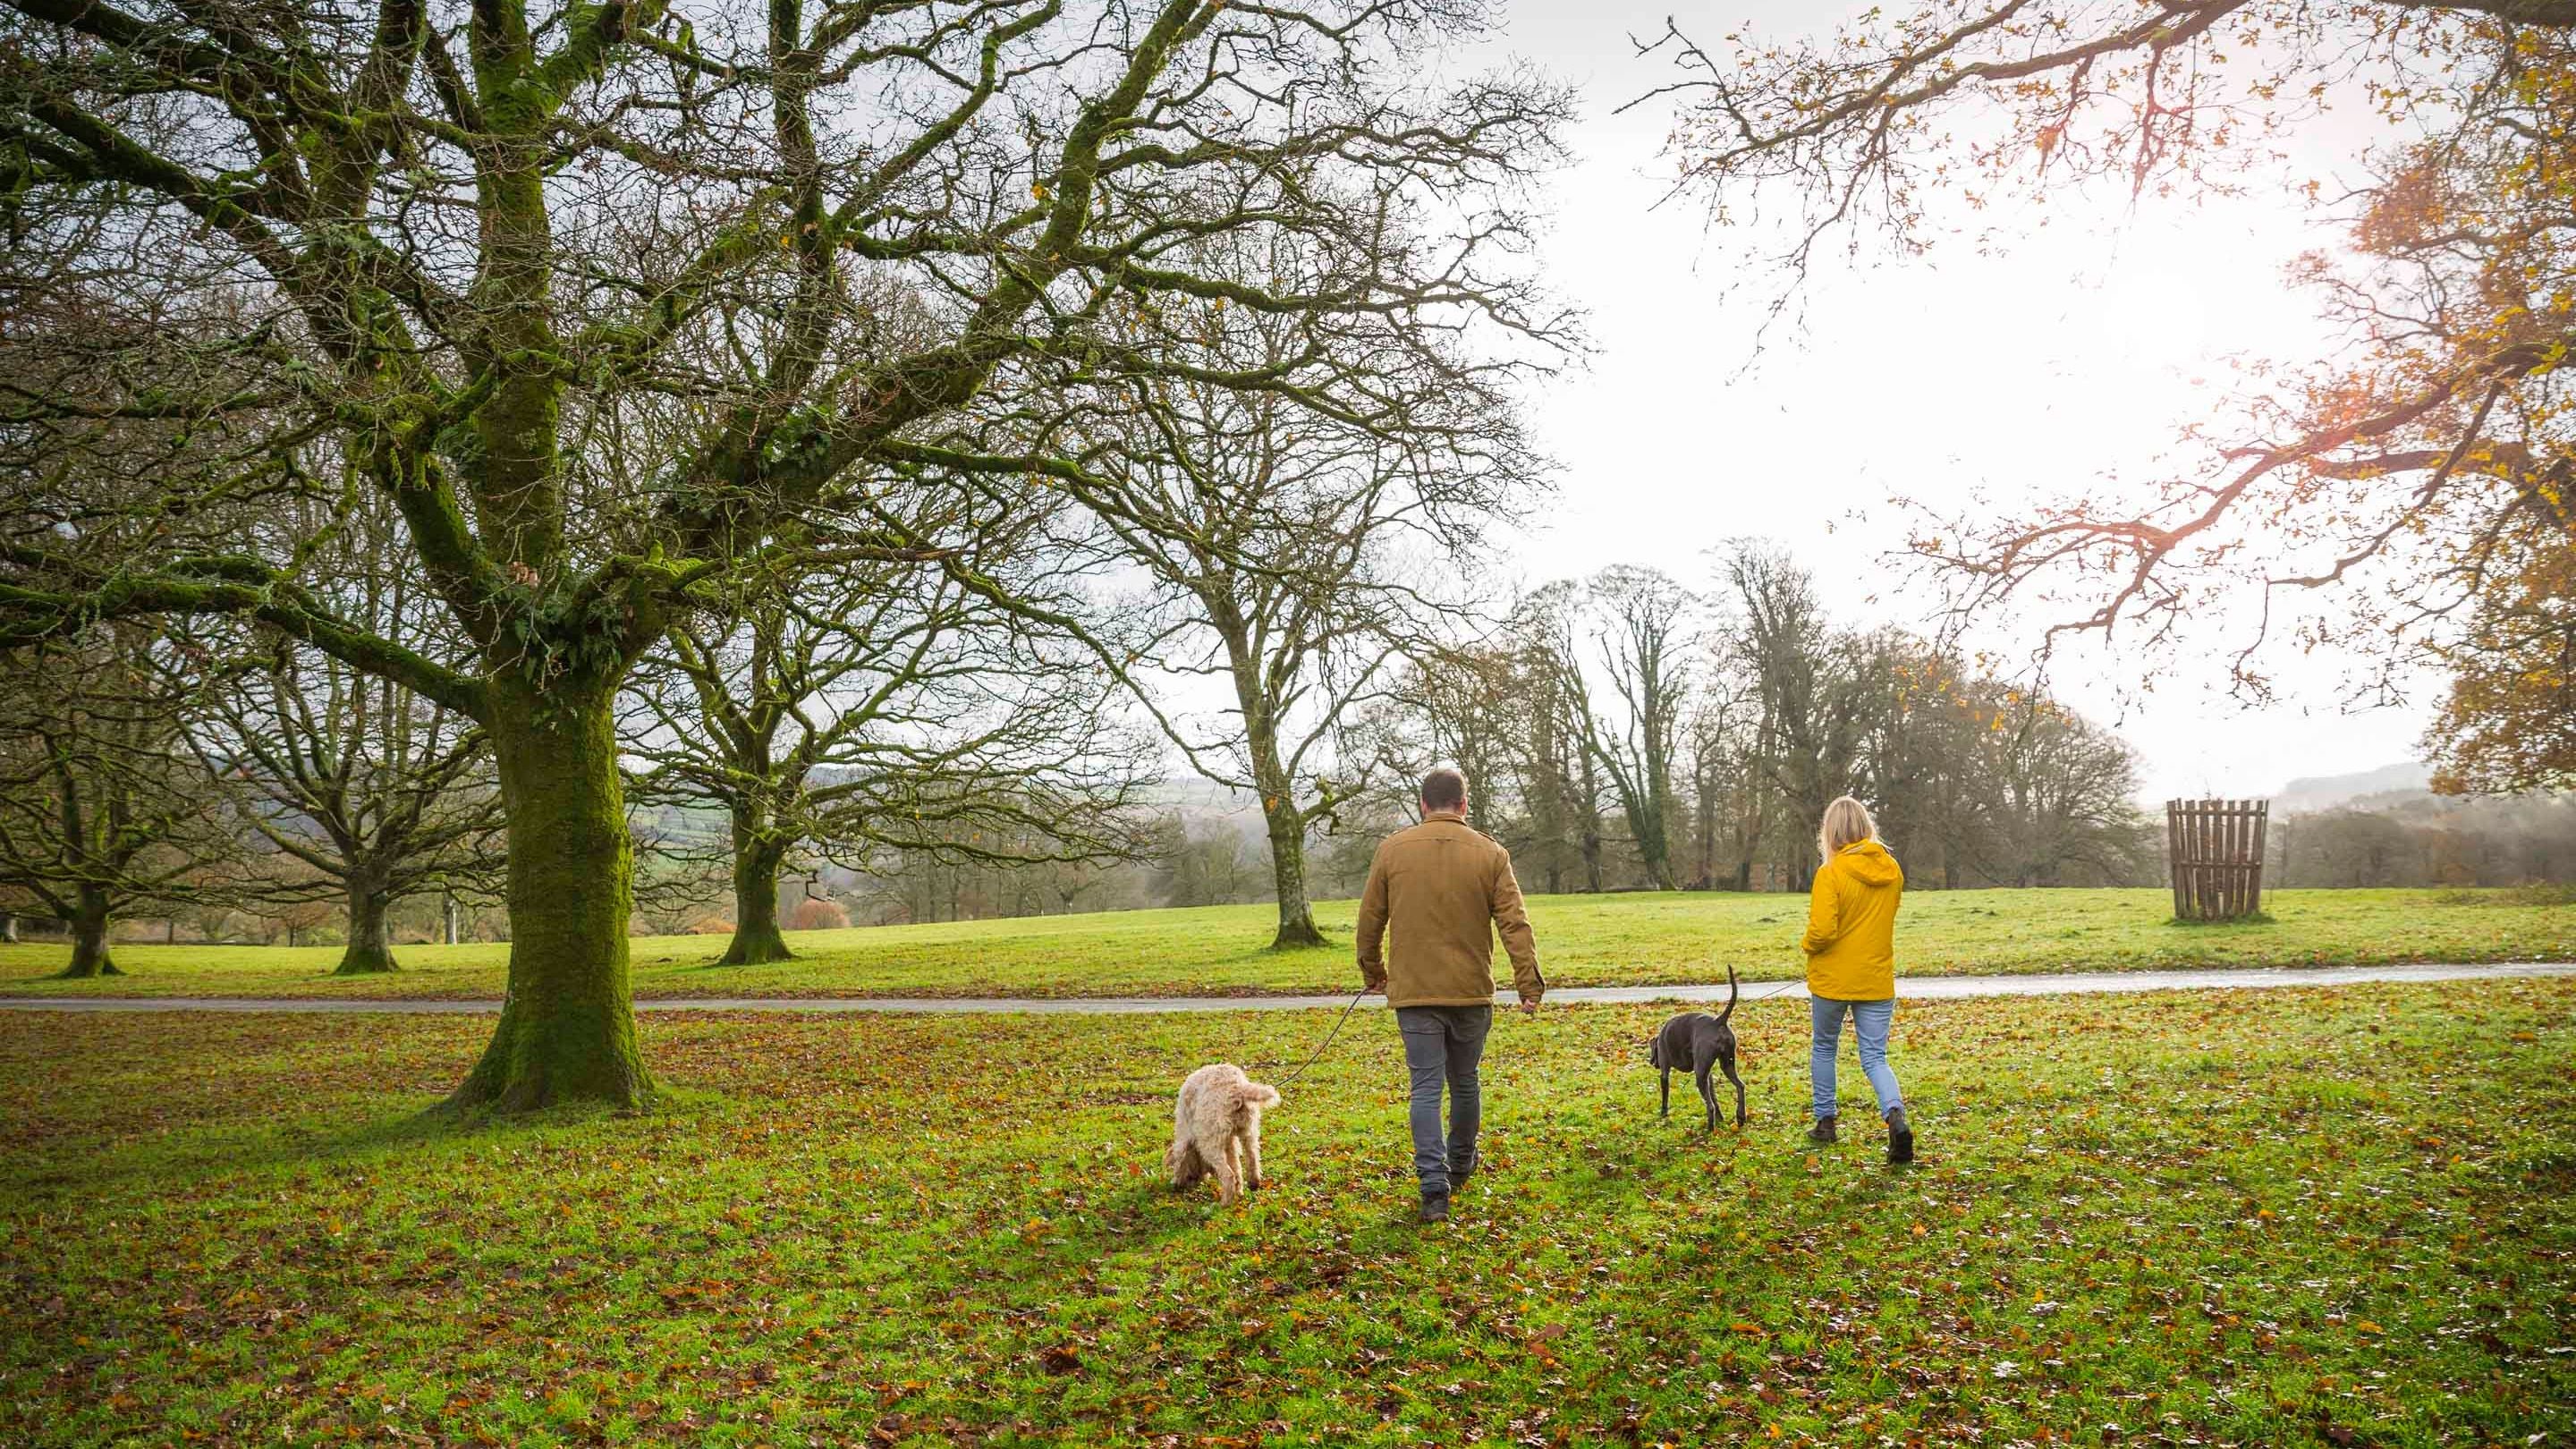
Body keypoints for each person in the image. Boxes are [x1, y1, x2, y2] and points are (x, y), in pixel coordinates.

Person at [1355, 766, 1545, 1224]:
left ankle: (1432, 1188)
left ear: (1423, 804)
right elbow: (1514, 924)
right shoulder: (1491, 853)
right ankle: (1460, 1164)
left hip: (1416, 992)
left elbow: (1369, 920)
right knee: (1464, 1082)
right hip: (1471, 991)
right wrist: (1528, 984)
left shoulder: (1391, 850)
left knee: (1424, 1088)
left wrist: (1374, 970)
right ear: (1463, 804)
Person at [1801, 794, 1914, 1164]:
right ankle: (1895, 1115)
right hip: (1876, 978)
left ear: (1830, 833)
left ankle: (1826, 1121)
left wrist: (1806, 945)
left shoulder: (1830, 873)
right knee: (1875, 1057)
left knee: (1823, 1048)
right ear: (1866, 828)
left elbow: (1821, 932)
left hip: (1832, 979)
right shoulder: (1892, 871)